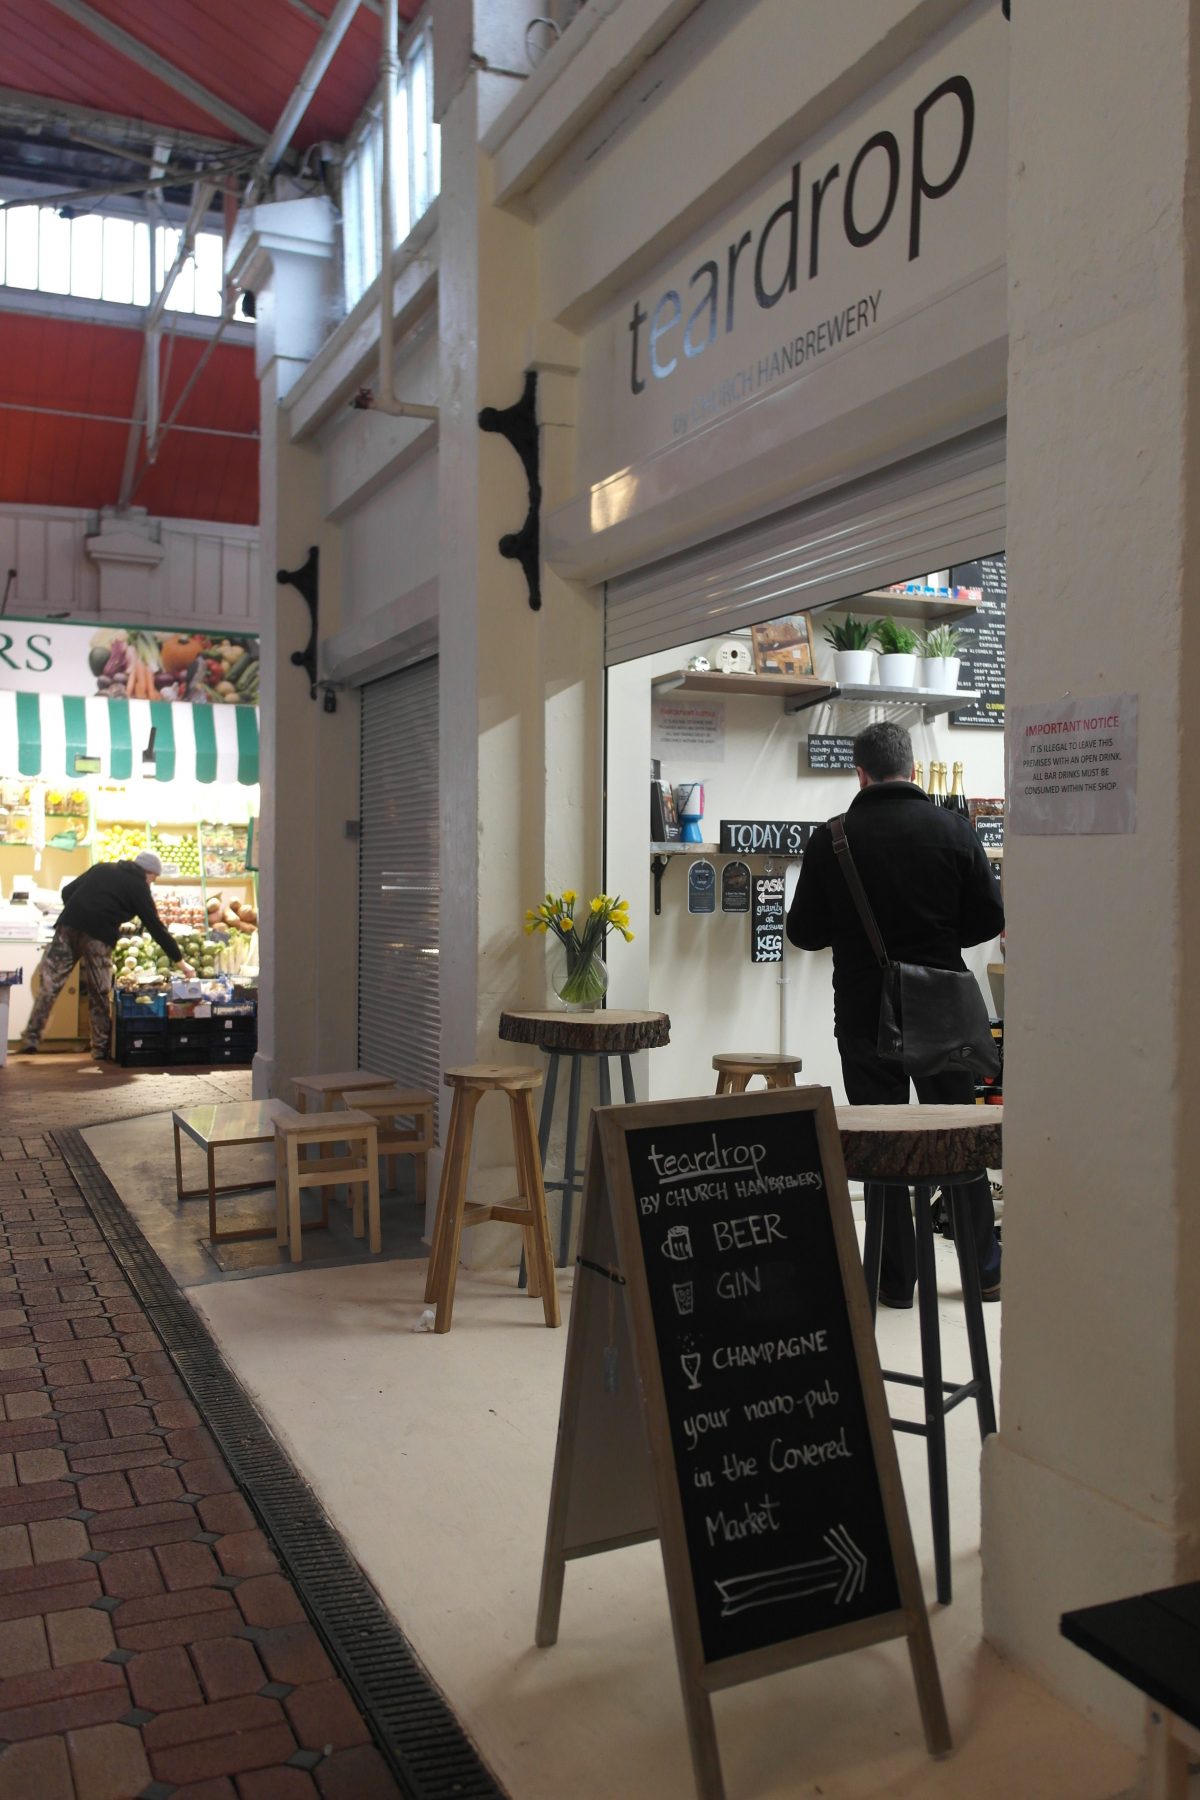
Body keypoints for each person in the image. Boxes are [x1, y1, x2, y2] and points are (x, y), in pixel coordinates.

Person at [786, 720, 1004, 1306]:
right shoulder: (955, 831)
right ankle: (986, 1269)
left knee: (882, 1141)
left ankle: (895, 1278)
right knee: (958, 1137)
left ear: (860, 773)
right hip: (943, 1009)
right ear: (910, 767)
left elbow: (802, 933)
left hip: (863, 1013)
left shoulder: (833, 838)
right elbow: (987, 921)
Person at [17, 850, 195, 1064]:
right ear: (148, 872)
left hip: (68, 926)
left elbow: (67, 891)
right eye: (154, 878)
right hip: (98, 936)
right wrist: (181, 962)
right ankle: (100, 1048)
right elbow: (156, 927)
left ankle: (31, 1038)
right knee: (99, 990)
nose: (152, 883)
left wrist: (81, 910)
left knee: (50, 984)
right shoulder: (138, 886)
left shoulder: (103, 867)